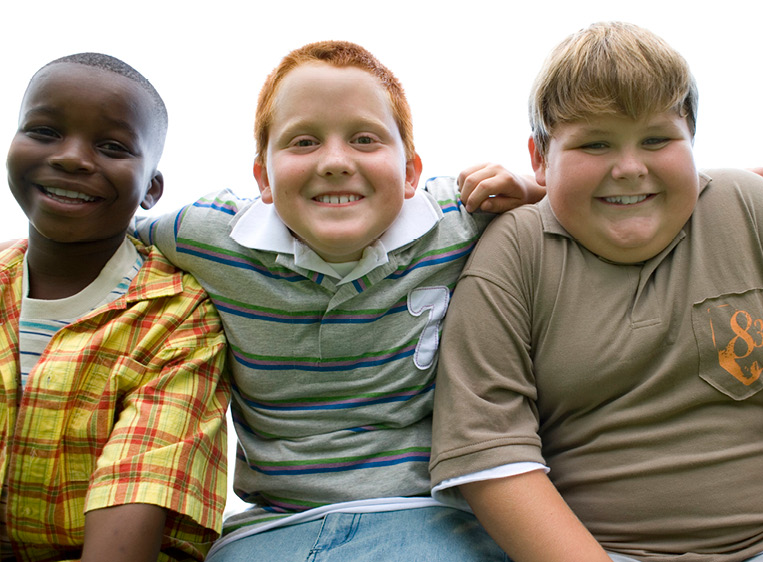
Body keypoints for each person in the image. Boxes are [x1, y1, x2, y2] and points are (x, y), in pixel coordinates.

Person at [428, 22, 763, 562]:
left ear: (692, 141)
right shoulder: (513, 254)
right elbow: (491, 452)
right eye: (594, 143)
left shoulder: (749, 209)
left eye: (657, 139)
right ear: (540, 158)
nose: (629, 168)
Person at [134, 40, 545, 561]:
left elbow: (578, 208)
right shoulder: (209, 236)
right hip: (270, 527)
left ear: (410, 172)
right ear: (262, 177)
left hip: (428, 516)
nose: (334, 162)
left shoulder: (459, 219)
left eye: (364, 139)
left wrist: (530, 191)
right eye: (303, 141)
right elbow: (107, 229)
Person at [1, 53, 229, 561]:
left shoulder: (178, 319)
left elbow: (133, 508)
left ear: (152, 189)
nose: (72, 158)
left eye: (112, 147)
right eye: (44, 131)